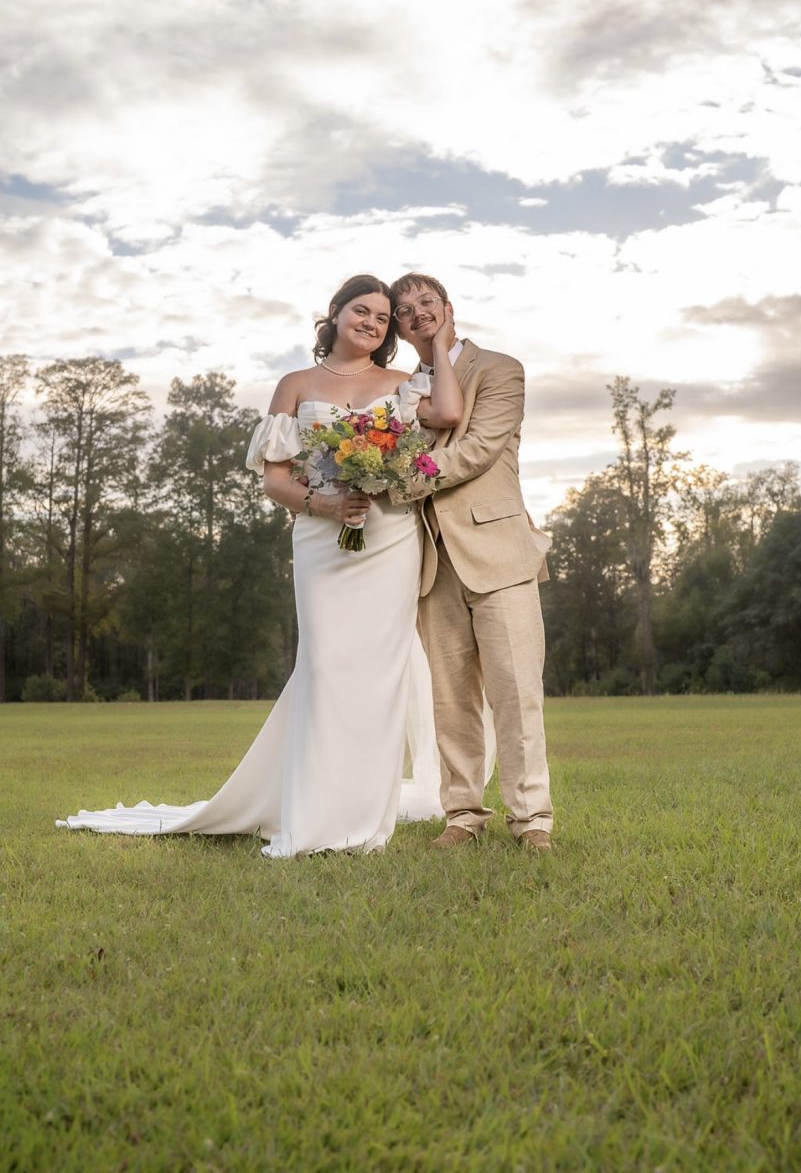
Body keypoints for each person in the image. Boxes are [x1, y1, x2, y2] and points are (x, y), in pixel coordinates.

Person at [57, 275, 463, 856]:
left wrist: (440, 340)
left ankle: (362, 813)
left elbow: (447, 412)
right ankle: (315, 808)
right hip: (323, 541)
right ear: (336, 313)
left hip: (389, 538)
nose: (372, 323)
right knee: (324, 666)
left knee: (379, 674)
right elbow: (275, 478)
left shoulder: (400, 383)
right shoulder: (295, 384)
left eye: (382, 318)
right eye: (361, 311)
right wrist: (323, 503)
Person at [389, 273, 554, 851]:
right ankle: (462, 813)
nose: (417, 313)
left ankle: (532, 818)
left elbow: (480, 448)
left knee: (515, 692)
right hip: (431, 561)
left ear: (448, 308)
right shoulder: (401, 390)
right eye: (404, 310)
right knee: (450, 699)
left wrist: (398, 481)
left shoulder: (499, 370)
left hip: (498, 552)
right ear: (400, 327)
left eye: (425, 302)